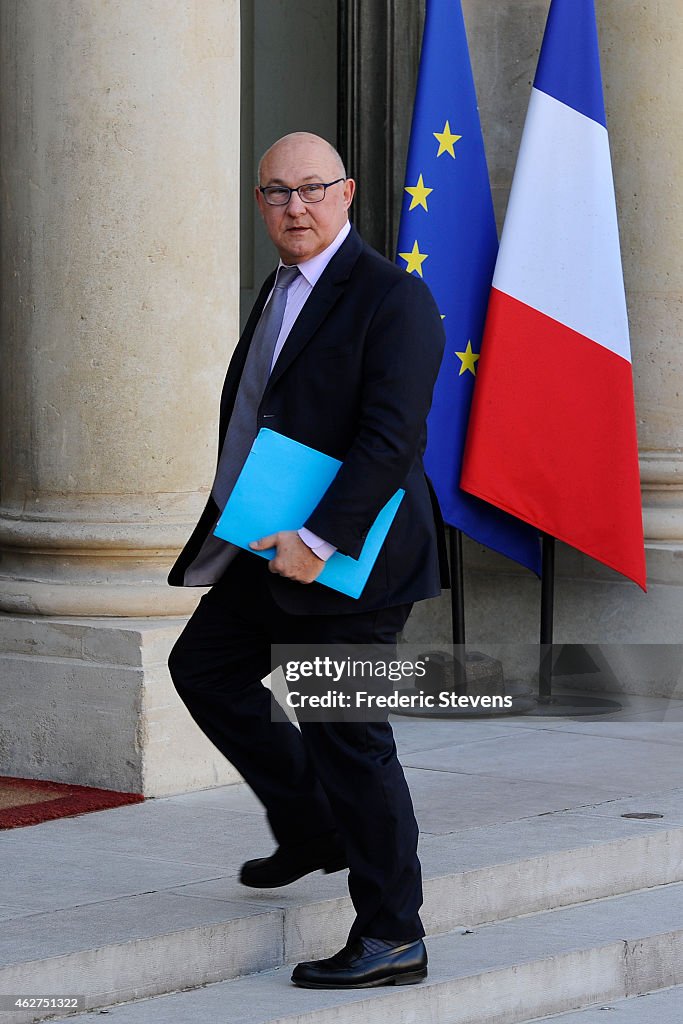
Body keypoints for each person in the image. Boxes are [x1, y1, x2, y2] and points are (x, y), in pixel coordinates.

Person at [167, 132, 447, 988]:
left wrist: (319, 540)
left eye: (313, 189)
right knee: (203, 668)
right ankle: (310, 823)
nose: (295, 207)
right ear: (259, 203)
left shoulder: (392, 297)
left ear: (348, 193)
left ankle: (393, 932)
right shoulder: (280, 285)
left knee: (350, 739)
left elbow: (391, 438)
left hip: (350, 555)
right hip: (268, 543)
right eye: (277, 193)